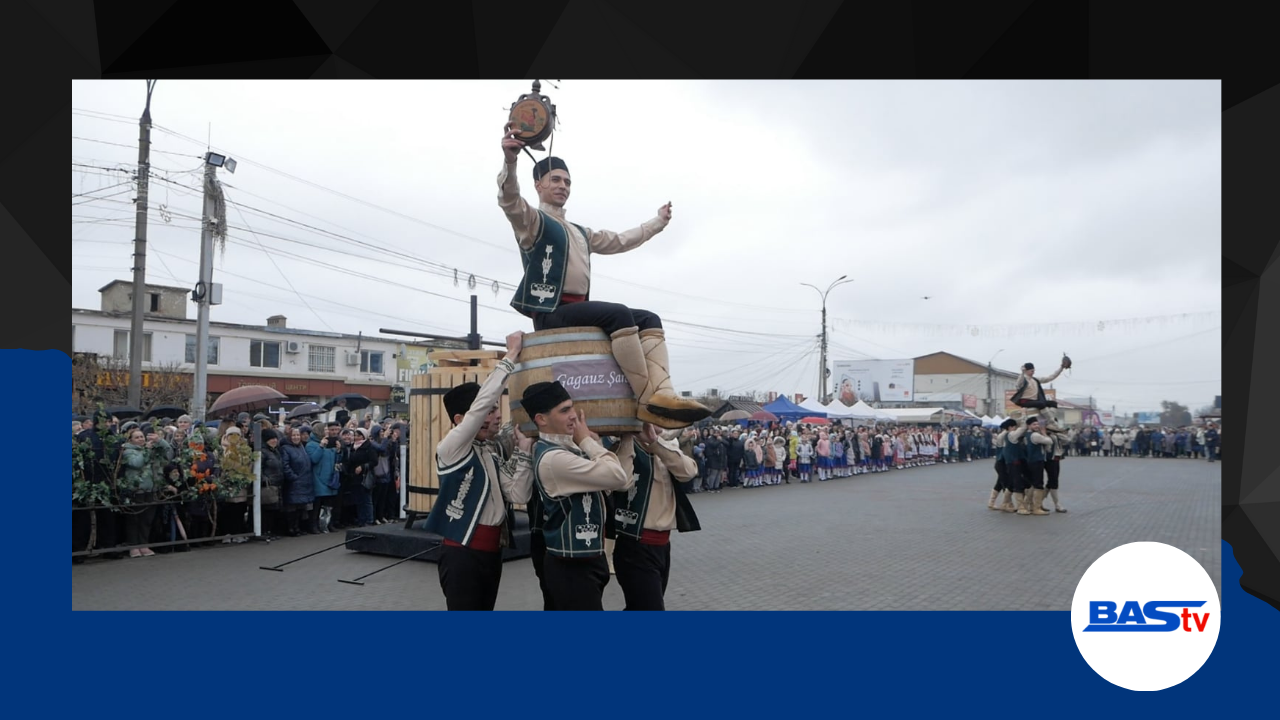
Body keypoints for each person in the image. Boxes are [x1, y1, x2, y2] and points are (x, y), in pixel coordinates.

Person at [497, 132, 711, 430]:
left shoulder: (580, 231)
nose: (563, 186)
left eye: (567, 182)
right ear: (539, 184)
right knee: (618, 314)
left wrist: (657, 223)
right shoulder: (532, 221)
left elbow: (620, 240)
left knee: (649, 318)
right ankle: (648, 399)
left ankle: (663, 393)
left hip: (577, 312)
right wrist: (510, 160)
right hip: (551, 313)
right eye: (556, 179)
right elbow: (509, 200)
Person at [423, 331, 534, 611]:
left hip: (492, 552)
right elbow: (481, 403)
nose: (496, 415)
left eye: (497, 409)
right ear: (461, 420)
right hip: (462, 554)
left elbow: (517, 492)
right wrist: (510, 357)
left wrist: (523, 452)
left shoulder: (492, 449)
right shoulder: (451, 447)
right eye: (490, 411)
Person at [523, 380, 636, 610]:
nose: (574, 416)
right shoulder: (554, 458)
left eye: (572, 407)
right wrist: (587, 440)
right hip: (570, 567)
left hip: (586, 561)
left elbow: (621, 483)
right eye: (564, 410)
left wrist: (624, 438)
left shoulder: (569, 450)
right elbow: (617, 476)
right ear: (541, 419)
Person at [612, 422, 700, 610]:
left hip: (662, 545)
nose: (661, 421)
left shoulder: (665, 446)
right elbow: (620, 482)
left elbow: (689, 472)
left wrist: (654, 442)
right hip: (634, 545)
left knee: (640, 608)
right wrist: (629, 438)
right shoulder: (622, 446)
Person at [1009, 416, 1052, 516]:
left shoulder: (1027, 435)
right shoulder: (1035, 435)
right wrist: (1044, 432)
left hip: (1031, 461)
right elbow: (1049, 441)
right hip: (1036, 461)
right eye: (1034, 424)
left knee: (1034, 483)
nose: (1037, 426)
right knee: (1038, 484)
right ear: (1028, 426)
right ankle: (1035, 508)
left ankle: (1028, 504)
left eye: (1037, 424)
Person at [1009, 360, 1066, 429]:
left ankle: (1049, 421)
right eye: (1031, 371)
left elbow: (1050, 377)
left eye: (1033, 371)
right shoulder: (1023, 380)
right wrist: (1022, 372)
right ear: (1026, 371)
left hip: (1035, 401)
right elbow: (1019, 383)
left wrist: (1061, 368)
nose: (1033, 372)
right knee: (1041, 404)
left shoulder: (1035, 380)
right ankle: (1052, 422)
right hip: (1025, 401)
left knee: (1053, 403)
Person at [989, 418, 1017, 512]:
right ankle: (1007, 504)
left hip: (1000, 462)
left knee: (1000, 483)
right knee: (1006, 483)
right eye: (1014, 427)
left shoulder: (1003, 434)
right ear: (1010, 427)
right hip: (1002, 462)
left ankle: (991, 502)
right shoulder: (1005, 435)